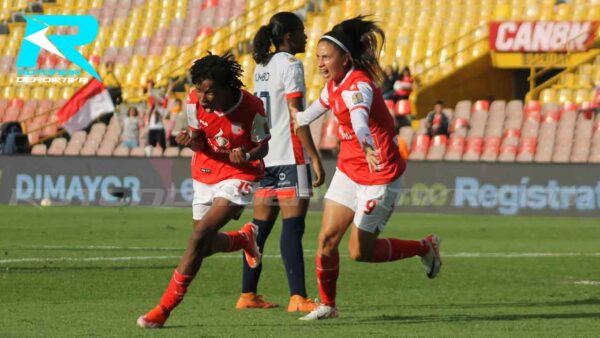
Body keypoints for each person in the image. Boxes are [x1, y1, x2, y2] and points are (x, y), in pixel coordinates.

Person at [293, 16, 442, 320]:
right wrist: (297, 124)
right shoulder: (332, 86)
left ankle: (424, 248)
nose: (320, 63)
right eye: (318, 57)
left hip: (379, 173)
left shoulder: (358, 85)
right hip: (350, 170)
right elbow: (307, 117)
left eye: (326, 57)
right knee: (326, 241)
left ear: (345, 58)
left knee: (360, 252)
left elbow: (359, 119)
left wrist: (366, 144)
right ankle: (328, 306)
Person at [137, 53, 271, 329]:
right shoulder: (192, 103)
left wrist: (246, 153)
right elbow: (199, 143)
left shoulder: (252, 107)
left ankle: (163, 309)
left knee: (198, 236)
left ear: (227, 87)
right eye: (198, 90)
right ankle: (244, 238)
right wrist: (189, 141)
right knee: (205, 245)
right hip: (205, 171)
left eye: (208, 91)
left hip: (240, 173)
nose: (202, 97)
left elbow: (264, 146)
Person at [235, 12, 324, 313]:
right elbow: (296, 115)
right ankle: (298, 297)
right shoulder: (291, 65)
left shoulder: (261, 65)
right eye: (301, 31)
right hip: (289, 155)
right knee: (293, 226)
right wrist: (313, 156)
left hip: (265, 158)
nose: (306, 36)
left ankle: (248, 294)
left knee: (259, 229)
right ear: (288, 35)